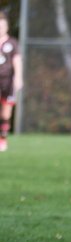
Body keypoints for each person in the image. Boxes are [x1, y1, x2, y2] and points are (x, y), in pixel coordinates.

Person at [0, 11, 21, 153]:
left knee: (5, 114)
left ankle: (2, 139)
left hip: (7, 82)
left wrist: (19, 78)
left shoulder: (12, 43)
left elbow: (17, 61)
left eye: (3, 25)